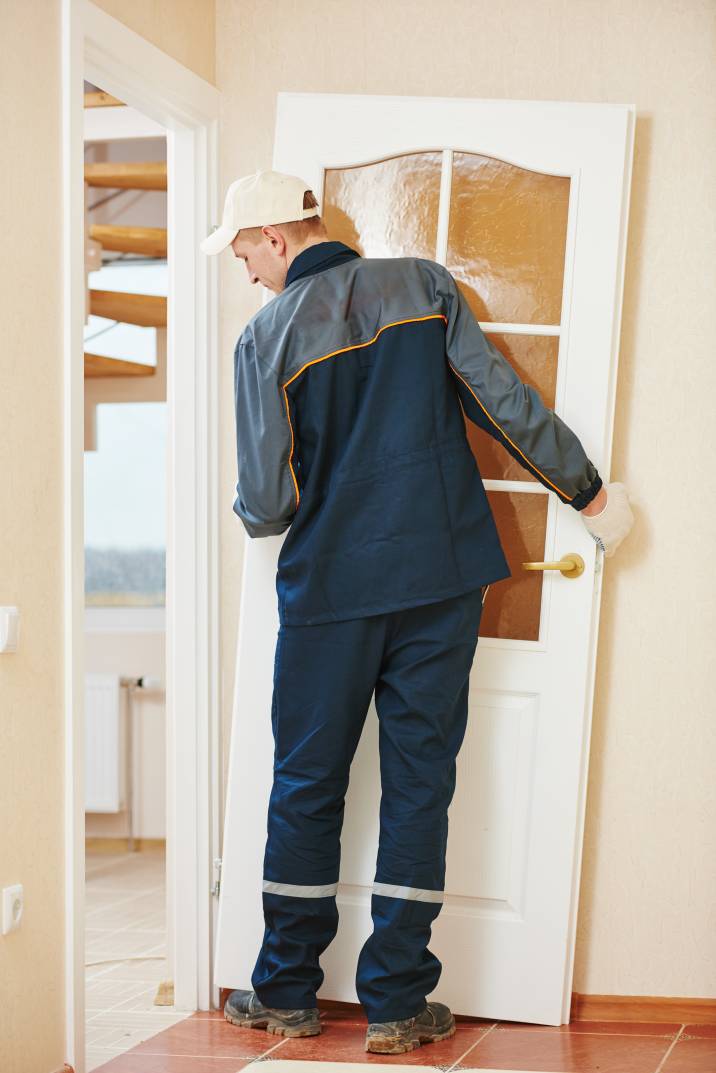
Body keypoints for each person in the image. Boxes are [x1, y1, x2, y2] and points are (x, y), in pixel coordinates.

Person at [200, 169, 634, 1055]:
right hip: (439, 583)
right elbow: (503, 403)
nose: (245, 272)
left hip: (329, 594)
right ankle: (397, 1002)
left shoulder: (264, 339)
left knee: (308, 784)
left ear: (276, 239)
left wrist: (259, 504)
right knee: (419, 786)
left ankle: (284, 988)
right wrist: (589, 496)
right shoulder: (426, 287)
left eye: (244, 252)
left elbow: (268, 502)